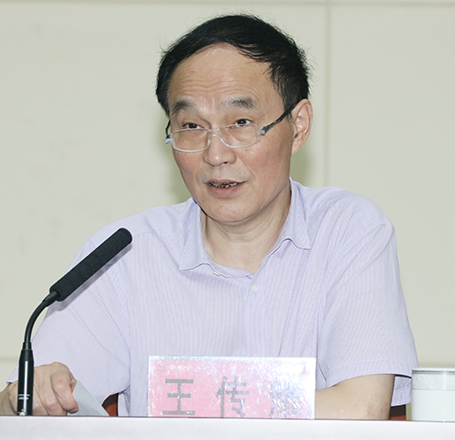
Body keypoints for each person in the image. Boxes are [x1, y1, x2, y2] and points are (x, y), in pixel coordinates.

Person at [0, 14, 417, 419]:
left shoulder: (348, 232)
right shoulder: (124, 256)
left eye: (241, 122)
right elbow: (22, 403)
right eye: (191, 126)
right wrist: (26, 398)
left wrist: (192, 400)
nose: (216, 154)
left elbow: (360, 408)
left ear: (299, 125)